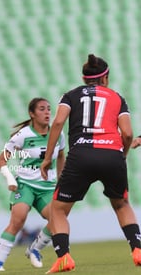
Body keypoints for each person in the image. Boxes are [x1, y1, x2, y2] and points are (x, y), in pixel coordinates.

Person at [41, 54, 141, 273]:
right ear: (105, 78)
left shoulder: (70, 95)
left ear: (84, 78)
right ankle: (137, 249)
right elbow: (127, 133)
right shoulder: (117, 97)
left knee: (57, 209)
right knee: (122, 203)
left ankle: (64, 256)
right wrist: (122, 155)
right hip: (112, 156)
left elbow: (58, 121)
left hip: (81, 155)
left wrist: (48, 158)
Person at [0, 98, 65, 272]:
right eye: (41, 109)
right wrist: (10, 178)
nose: (47, 112)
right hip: (25, 184)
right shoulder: (23, 135)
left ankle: (34, 249)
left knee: (58, 221)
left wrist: (61, 180)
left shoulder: (58, 134)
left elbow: (61, 156)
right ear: (32, 114)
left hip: (47, 186)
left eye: (48, 109)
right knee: (18, 219)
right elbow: (1, 161)